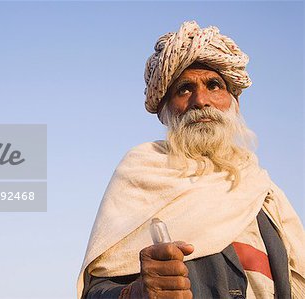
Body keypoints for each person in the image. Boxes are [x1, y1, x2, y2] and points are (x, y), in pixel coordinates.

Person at [77, 21, 305, 299]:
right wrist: (136, 293)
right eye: (184, 89)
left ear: (234, 102)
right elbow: (97, 292)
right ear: (165, 110)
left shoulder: (263, 192)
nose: (201, 100)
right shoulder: (142, 172)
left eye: (214, 85)